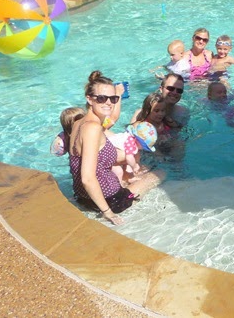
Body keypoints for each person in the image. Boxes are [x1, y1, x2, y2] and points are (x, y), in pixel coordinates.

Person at [68, 71, 164, 225]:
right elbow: (87, 178)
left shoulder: (79, 123)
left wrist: (118, 95)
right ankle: (123, 188)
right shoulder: (93, 128)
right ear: (89, 98)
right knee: (160, 173)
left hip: (83, 196)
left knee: (138, 168)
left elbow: (112, 118)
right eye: (102, 98)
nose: (108, 103)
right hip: (111, 199)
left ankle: (124, 182)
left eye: (113, 98)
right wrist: (108, 212)